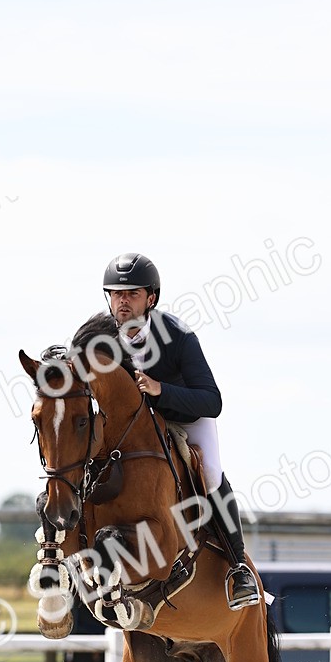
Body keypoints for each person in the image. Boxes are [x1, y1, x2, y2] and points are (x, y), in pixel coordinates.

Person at [102, 251, 261, 610]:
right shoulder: (101, 337)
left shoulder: (178, 336)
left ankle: (238, 567)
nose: (122, 301)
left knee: (210, 472)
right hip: (132, 430)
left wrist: (161, 391)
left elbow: (212, 400)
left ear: (151, 298)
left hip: (185, 420)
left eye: (132, 294)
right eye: (116, 294)